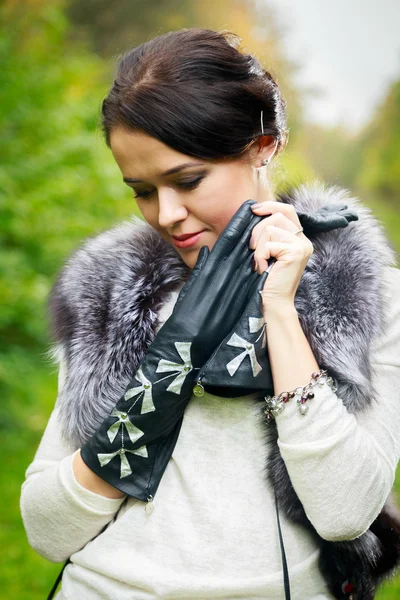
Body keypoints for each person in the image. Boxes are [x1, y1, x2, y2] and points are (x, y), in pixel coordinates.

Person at [20, 27, 400, 600]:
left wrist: (279, 310)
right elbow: (47, 528)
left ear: (262, 146)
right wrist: (167, 369)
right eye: (141, 191)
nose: (166, 214)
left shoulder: (369, 293)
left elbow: (345, 510)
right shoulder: (117, 291)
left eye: (187, 180)